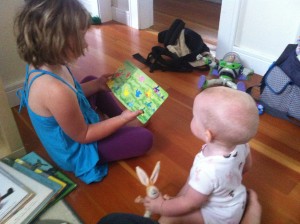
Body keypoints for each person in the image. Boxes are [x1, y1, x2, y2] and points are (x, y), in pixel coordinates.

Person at [14, 0, 153, 184]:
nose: (85, 44)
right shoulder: (54, 90)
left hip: (75, 127)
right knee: (144, 139)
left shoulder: (44, 64)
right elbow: (84, 135)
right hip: (76, 150)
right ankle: (124, 122)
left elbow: (75, 91)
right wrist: (121, 120)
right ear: (57, 41)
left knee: (90, 81)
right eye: (80, 37)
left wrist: (97, 85)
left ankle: (122, 120)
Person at [142, 86, 259, 223]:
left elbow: (190, 204)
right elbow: (246, 167)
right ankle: (252, 207)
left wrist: (161, 206)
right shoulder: (241, 145)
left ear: (207, 135)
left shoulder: (207, 170)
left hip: (217, 218)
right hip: (236, 201)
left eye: (194, 117)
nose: (191, 118)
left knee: (171, 216)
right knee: (190, 192)